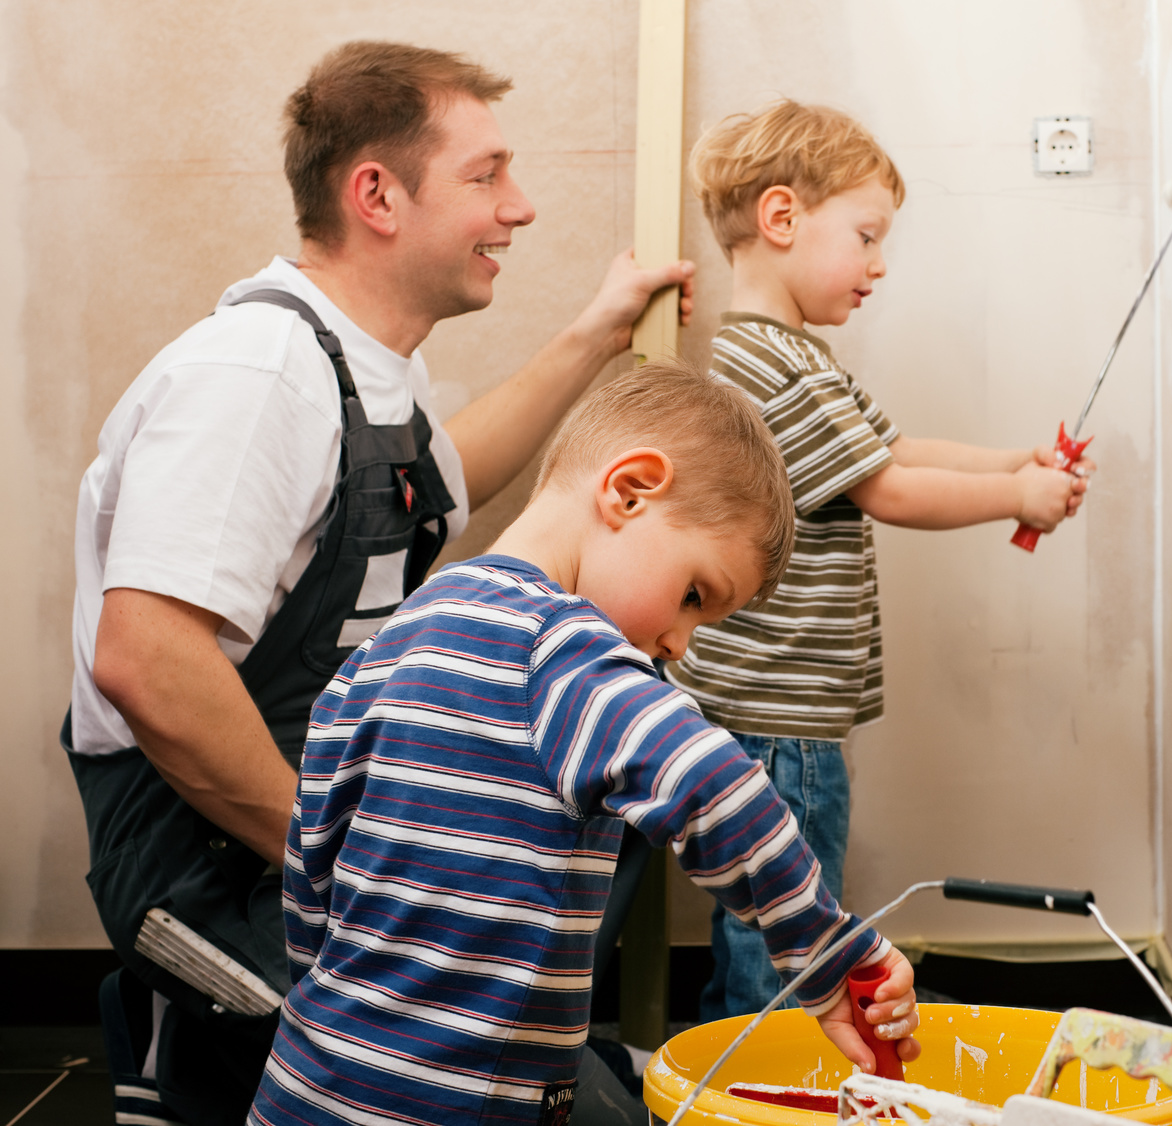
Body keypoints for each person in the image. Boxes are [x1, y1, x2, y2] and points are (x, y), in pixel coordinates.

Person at [66, 41, 694, 1126]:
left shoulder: (361, 367)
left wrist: (597, 332)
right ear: (377, 196)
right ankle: (179, 1046)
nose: (521, 207)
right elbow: (148, 662)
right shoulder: (256, 377)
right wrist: (357, 871)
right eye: (487, 175)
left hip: (299, 818)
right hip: (199, 862)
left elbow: (451, 468)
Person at [248, 362, 922, 1126]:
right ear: (629, 490)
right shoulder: (558, 645)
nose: (677, 642)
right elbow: (714, 782)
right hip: (454, 1104)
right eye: (695, 595)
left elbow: (308, 868)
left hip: (307, 1079)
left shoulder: (389, 643)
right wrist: (824, 954)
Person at [667, 101, 1093, 1019]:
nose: (878, 264)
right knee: (786, 922)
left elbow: (894, 451)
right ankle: (756, 1083)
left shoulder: (779, 356)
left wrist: (1015, 463)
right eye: (864, 236)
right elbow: (890, 488)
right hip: (784, 717)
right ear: (782, 220)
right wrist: (1017, 501)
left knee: (760, 913)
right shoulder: (777, 367)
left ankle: (728, 1069)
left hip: (775, 707)